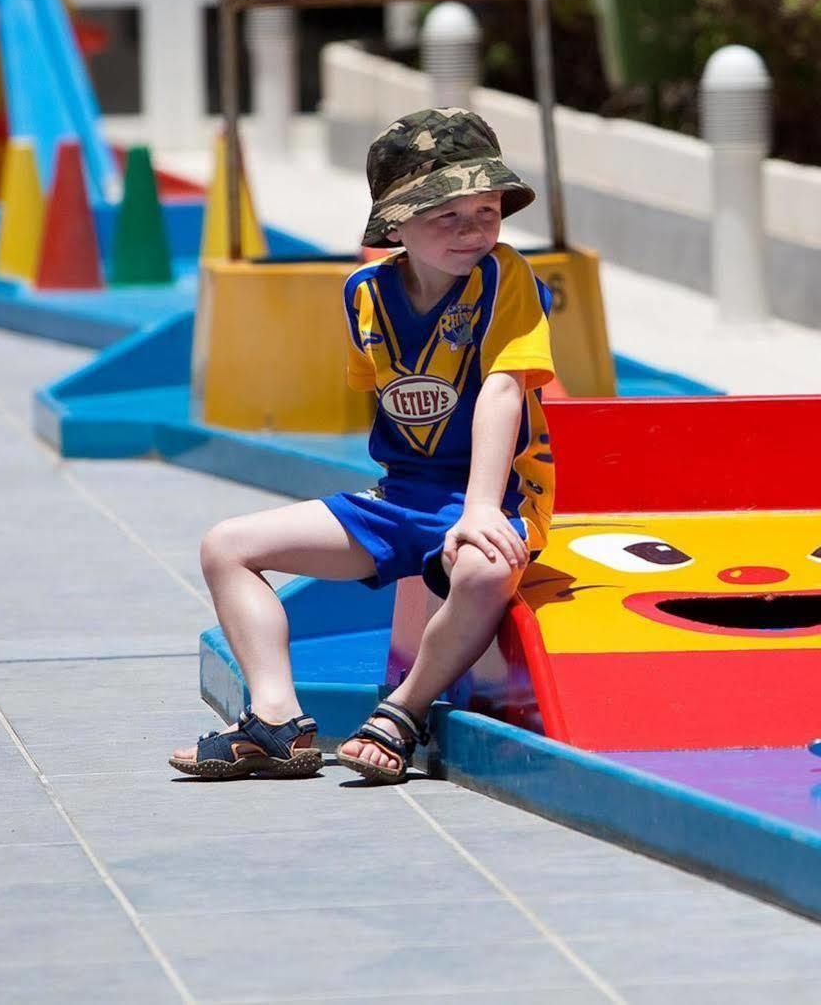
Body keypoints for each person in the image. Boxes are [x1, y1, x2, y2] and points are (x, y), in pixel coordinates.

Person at [170, 107, 554, 782]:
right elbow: (389, 406)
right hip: (400, 498)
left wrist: (483, 509)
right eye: (446, 216)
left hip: (493, 495)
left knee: (486, 570)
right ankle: (275, 718)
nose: (473, 231)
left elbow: (501, 392)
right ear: (395, 225)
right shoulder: (363, 294)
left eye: (486, 212)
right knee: (225, 546)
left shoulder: (505, 278)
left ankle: (402, 712)